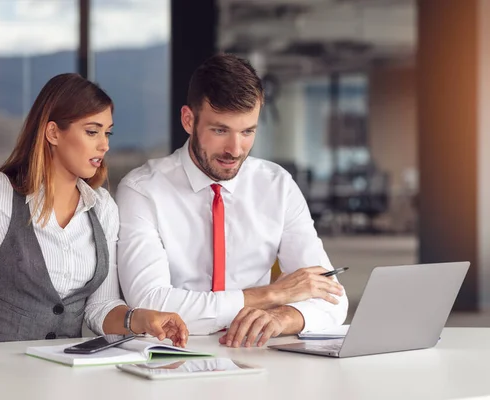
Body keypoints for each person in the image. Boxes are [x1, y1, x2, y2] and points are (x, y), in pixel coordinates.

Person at [117, 54, 348, 348]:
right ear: (189, 120)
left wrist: (281, 318)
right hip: (170, 356)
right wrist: (271, 295)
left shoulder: (277, 186)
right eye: (220, 130)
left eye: (247, 131)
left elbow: (332, 299)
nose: (235, 150)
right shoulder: (142, 190)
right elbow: (151, 303)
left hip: (256, 357)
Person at [0, 73, 188, 345]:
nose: (104, 144)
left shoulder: (102, 207)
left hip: (66, 374)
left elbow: (100, 306)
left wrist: (141, 319)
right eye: (92, 132)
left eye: (107, 133)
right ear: (53, 132)